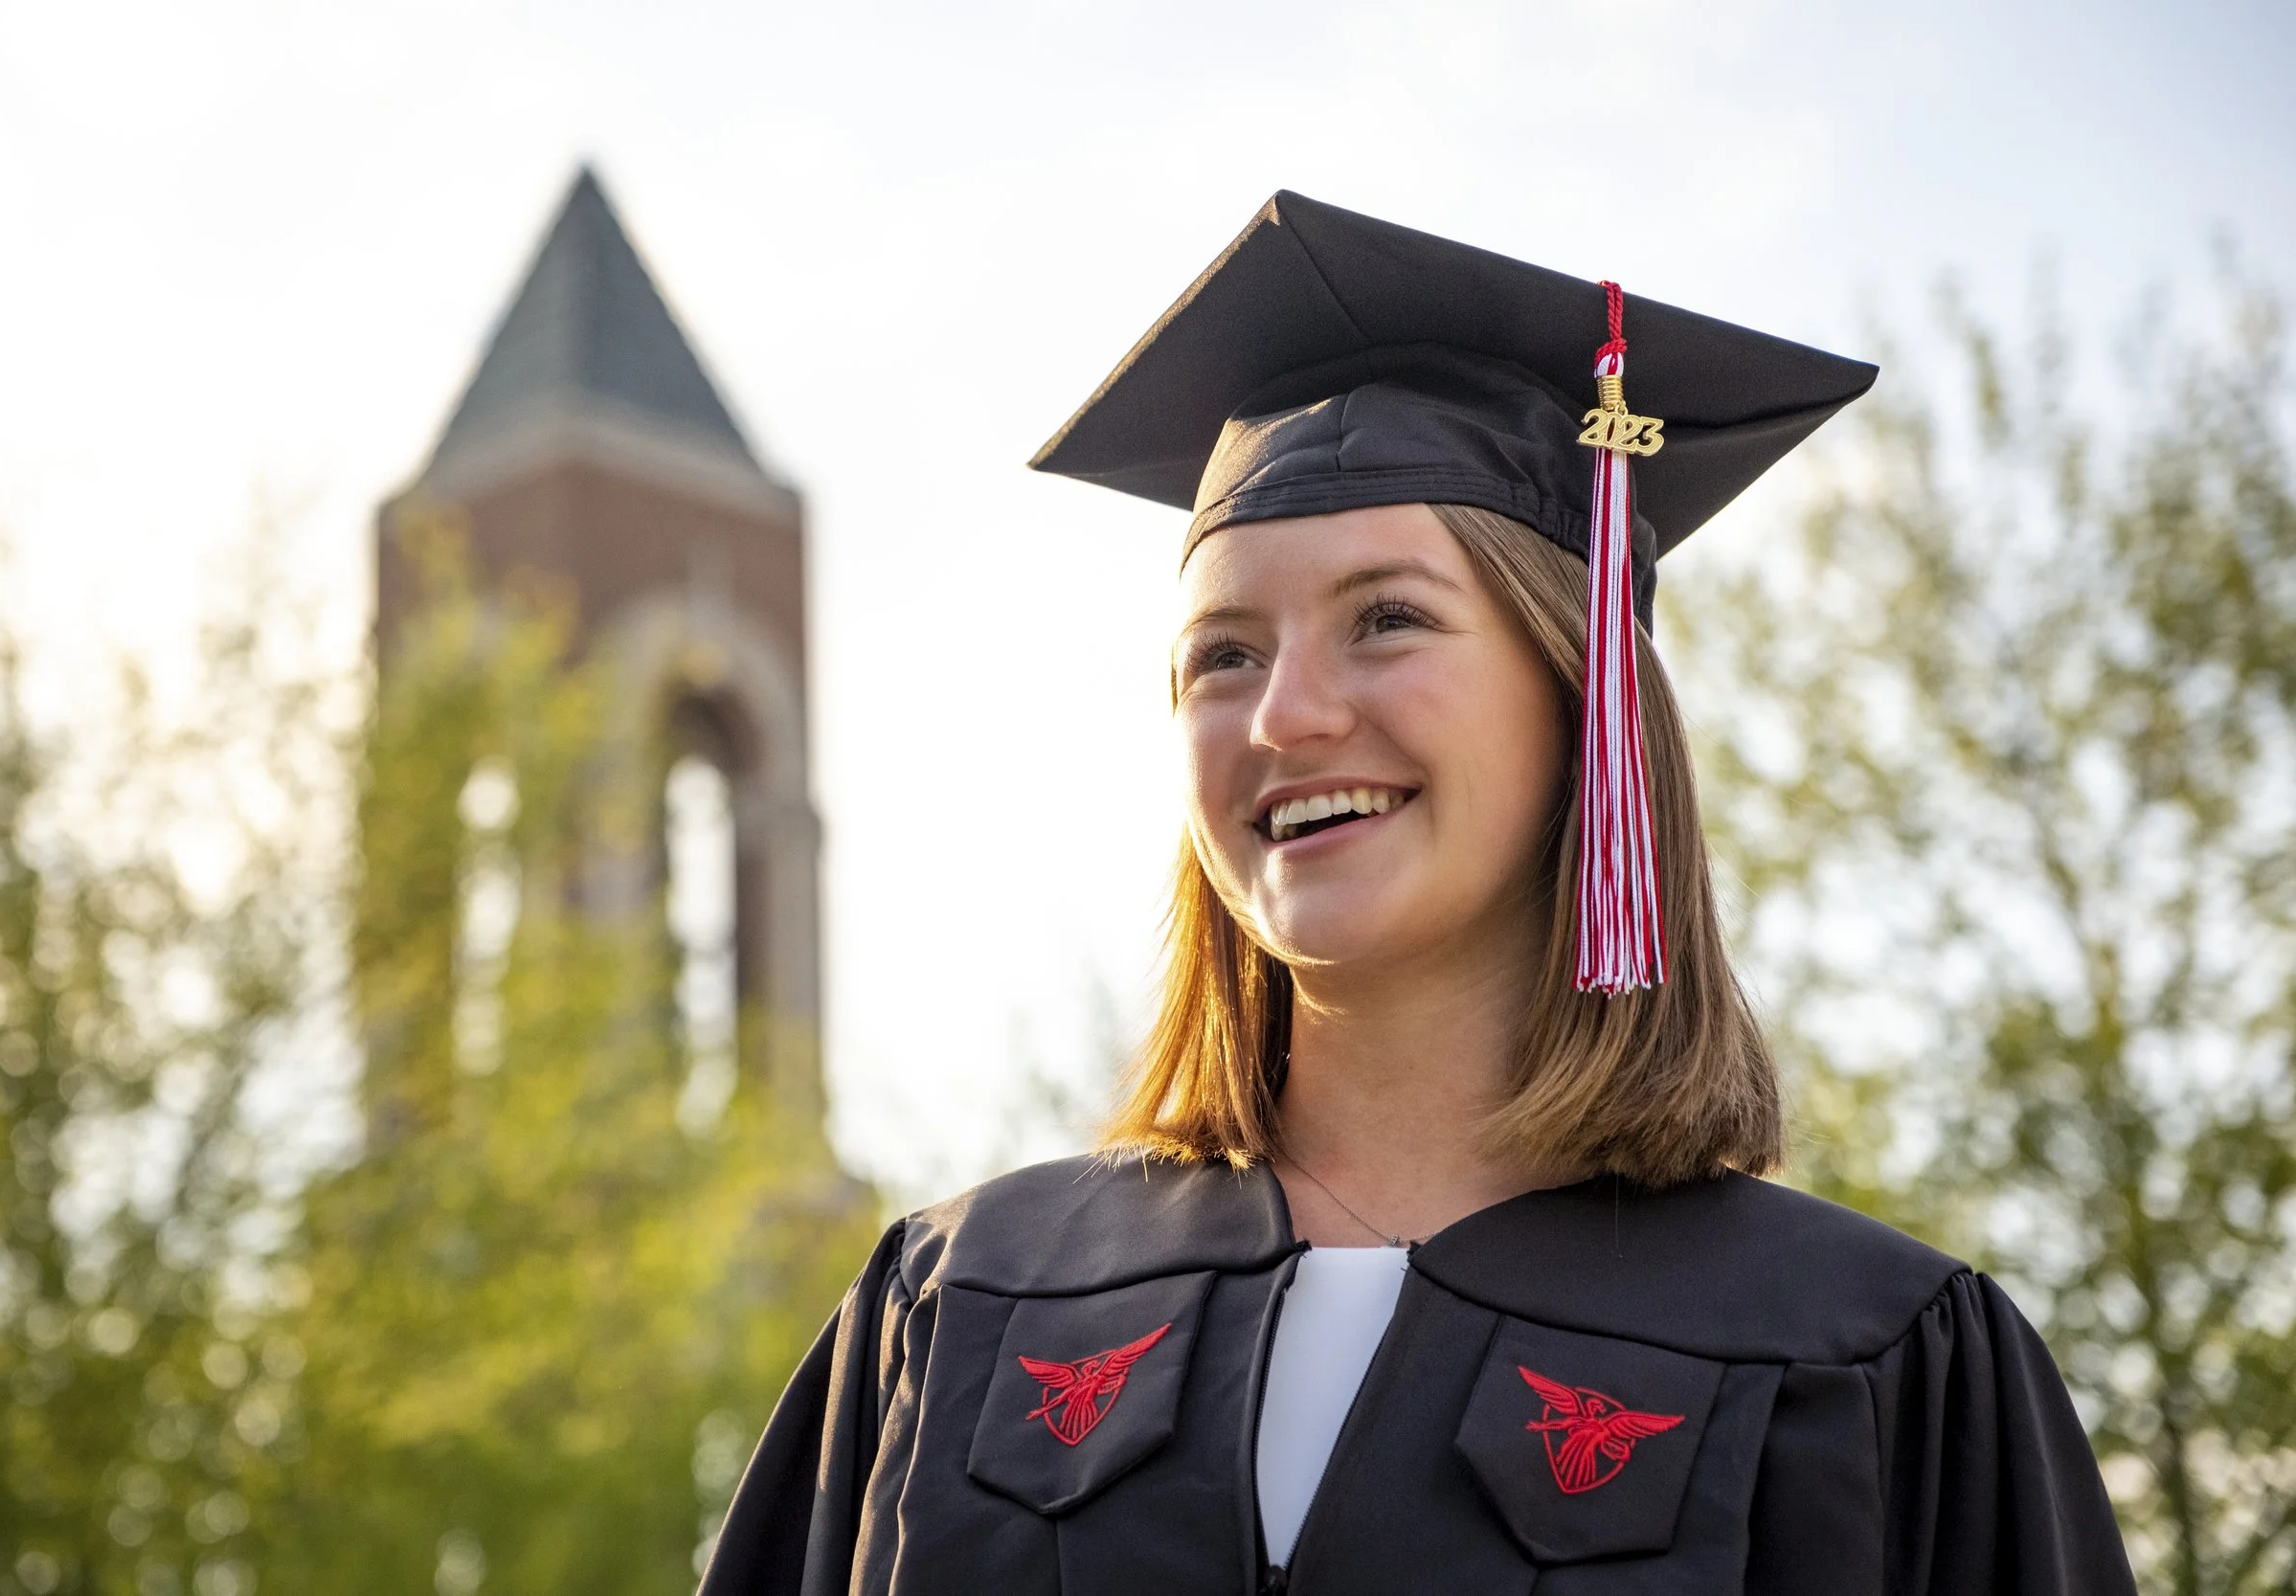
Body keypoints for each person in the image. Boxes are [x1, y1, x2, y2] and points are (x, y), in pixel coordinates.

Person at [696, 191, 2136, 1596]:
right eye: (1225, 655)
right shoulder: (966, 1307)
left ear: (1589, 701)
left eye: (1387, 619)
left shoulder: (1868, 1353)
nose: (1285, 716)